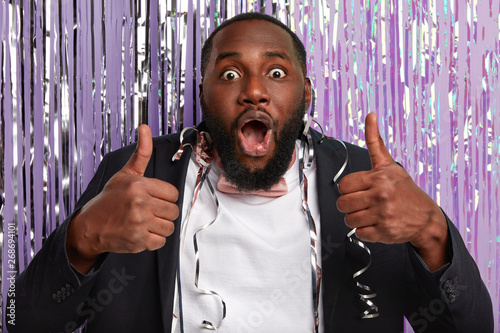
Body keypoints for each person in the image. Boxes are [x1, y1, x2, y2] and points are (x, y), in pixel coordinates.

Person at [9, 12, 493, 333]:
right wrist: (83, 240)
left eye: (277, 74)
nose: (255, 92)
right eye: (230, 73)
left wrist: (433, 232)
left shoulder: (368, 181)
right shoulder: (135, 177)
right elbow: (21, 321)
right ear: (202, 93)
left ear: (306, 95)